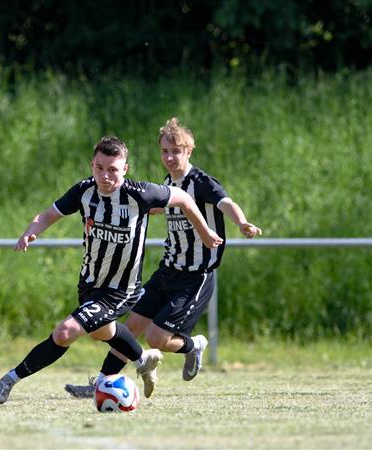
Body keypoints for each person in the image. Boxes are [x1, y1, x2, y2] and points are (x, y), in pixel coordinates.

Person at [0, 136, 223, 405]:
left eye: (113, 169)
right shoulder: (84, 191)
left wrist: (205, 232)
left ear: (125, 169)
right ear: (92, 165)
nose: (105, 176)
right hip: (89, 284)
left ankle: (8, 381)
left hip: (122, 289)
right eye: (100, 168)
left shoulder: (141, 194)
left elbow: (184, 199)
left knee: (65, 332)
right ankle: (143, 359)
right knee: (102, 332)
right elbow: (49, 214)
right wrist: (31, 231)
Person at [64, 118, 261, 399]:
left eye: (176, 151)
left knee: (156, 338)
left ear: (189, 151)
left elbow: (226, 202)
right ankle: (101, 383)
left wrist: (241, 223)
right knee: (130, 327)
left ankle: (193, 346)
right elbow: (155, 206)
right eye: (165, 151)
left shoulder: (201, 183)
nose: (169, 157)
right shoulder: (168, 183)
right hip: (168, 269)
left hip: (195, 276)